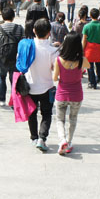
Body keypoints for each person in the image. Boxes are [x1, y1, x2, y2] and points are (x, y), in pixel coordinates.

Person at [52, 31, 89, 155]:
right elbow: (88, 66)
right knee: (73, 119)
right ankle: (69, 141)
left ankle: (62, 139)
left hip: (62, 94)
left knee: (59, 120)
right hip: (77, 95)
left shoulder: (59, 60)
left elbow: (54, 78)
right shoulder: (82, 60)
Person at [26, 18, 58, 152]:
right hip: (47, 87)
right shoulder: (53, 51)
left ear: (34, 31)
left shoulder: (27, 46)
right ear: (49, 33)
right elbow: (54, 68)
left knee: (31, 113)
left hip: (29, 86)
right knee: (46, 114)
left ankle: (34, 137)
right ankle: (42, 138)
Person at [0, 7, 24, 107]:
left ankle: (1, 99)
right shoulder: (19, 28)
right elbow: (22, 45)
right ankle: (14, 100)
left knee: (1, 77)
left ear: (2, 17)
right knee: (14, 79)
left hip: (2, 59)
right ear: (13, 16)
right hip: (15, 59)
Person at [81, 8, 100, 89]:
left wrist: (82, 49)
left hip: (89, 49)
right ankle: (99, 77)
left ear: (90, 16)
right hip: (98, 48)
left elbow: (84, 39)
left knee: (90, 66)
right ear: (98, 15)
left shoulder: (87, 26)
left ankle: (92, 83)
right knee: (98, 63)